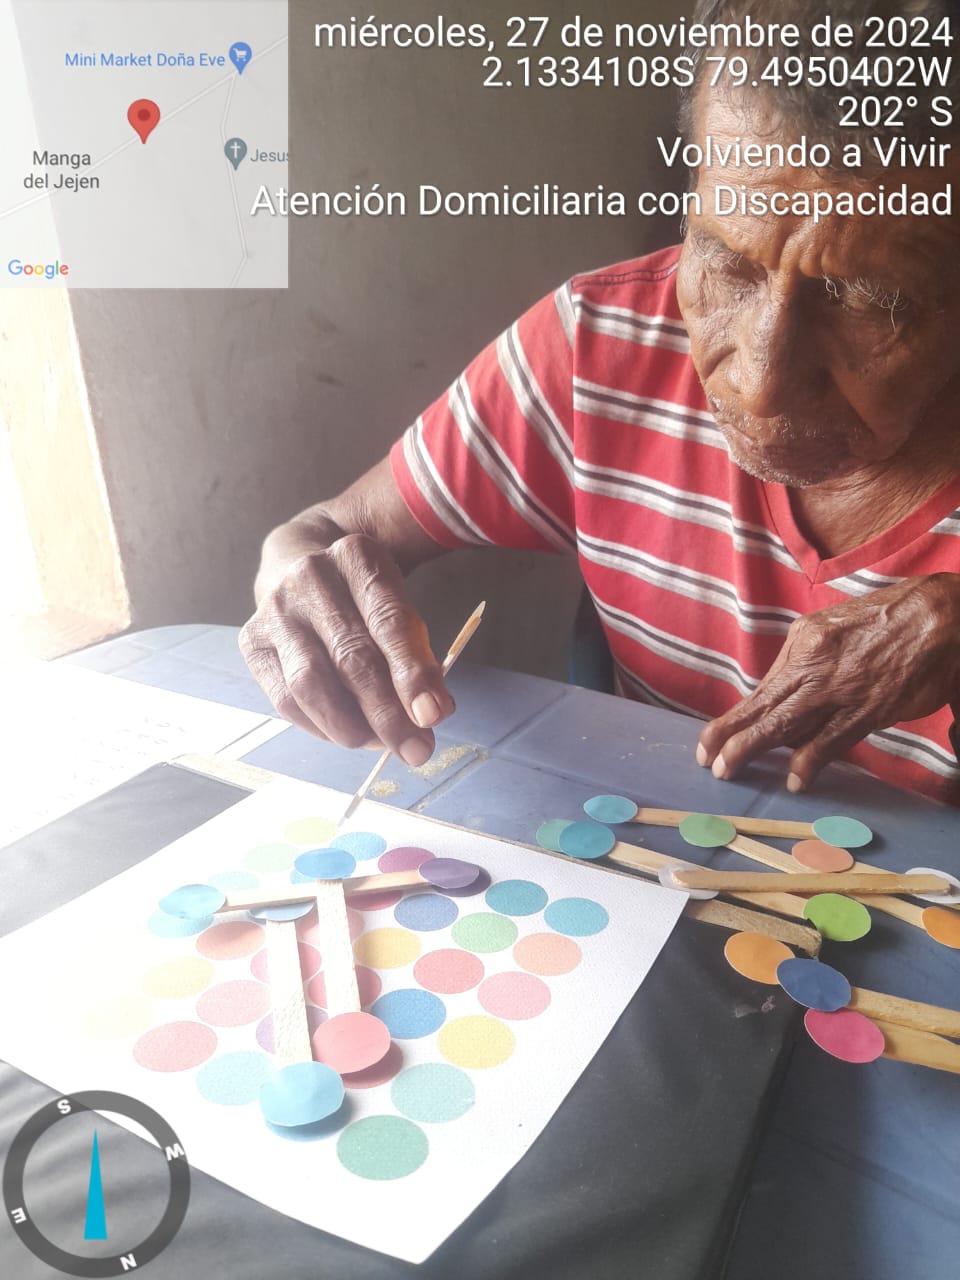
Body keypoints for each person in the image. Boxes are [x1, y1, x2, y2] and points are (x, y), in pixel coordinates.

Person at [241, 0, 960, 806]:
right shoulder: (603, 345)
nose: (760, 382)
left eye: (867, 304)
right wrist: (299, 588)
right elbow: (323, 534)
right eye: (727, 265)